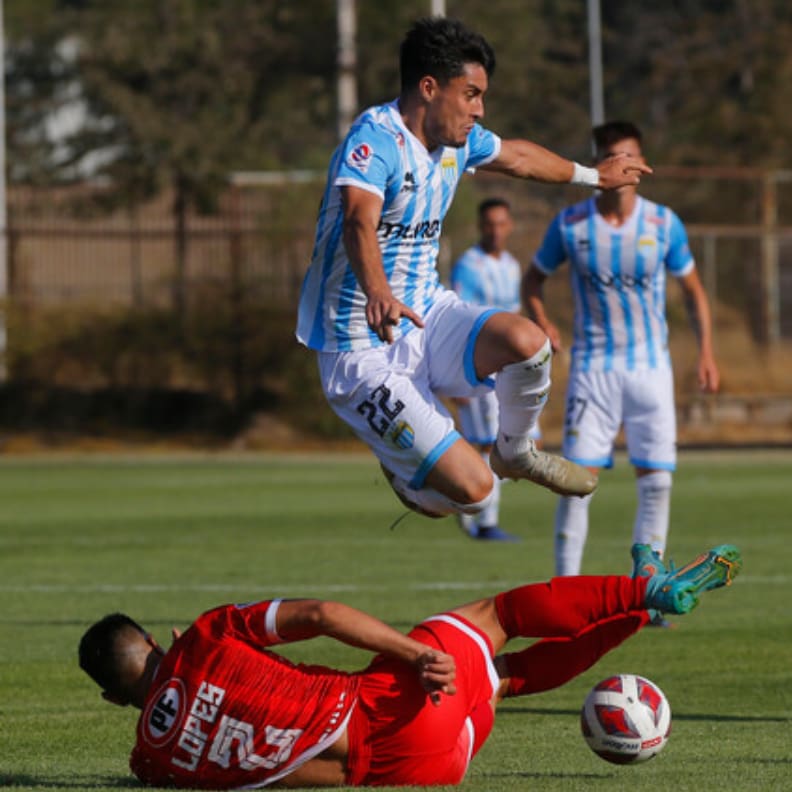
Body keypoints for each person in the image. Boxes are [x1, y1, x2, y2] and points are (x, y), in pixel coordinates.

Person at [295, 18, 651, 522]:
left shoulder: (458, 144)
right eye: (471, 94)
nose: (479, 109)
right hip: (358, 349)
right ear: (429, 87)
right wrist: (376, 289)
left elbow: (521, 158)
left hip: (426, 314)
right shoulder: (375, 140)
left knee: (529, 345)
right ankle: (405, 473)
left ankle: (515, 451)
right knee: (475, 495)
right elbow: (358, 220)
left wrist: (595, 177)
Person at [78, 543, 742, 788]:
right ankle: (641, 598)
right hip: (387, 707)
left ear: (114, 702)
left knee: (504, 678)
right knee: (496, 618)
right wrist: (413, 652)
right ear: (158, 645)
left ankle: (636, 614)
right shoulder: (205, 638)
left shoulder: (149, 764)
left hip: (421, 771)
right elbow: (322, 615)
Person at [523, 121, 719, 580]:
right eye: (614, 156)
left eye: (631, 156)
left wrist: (707, 351)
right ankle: (564, 592)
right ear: (600, 162)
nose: (624, 166)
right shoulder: (571, 225)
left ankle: (646, 592)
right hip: (594, 370)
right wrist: (543, 320)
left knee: (657, 483)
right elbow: (533, 280)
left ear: (643, 162)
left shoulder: (663, 223)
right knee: (576, 485)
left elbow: (693, 291)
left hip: (651, 370)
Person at [447, 198, 527, 541]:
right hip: (476, 367)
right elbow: (455, 318)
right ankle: (480, 519)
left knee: (502, 445)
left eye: (501, 224)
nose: (496, 231)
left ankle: (469, 510)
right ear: (481, 227)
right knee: (487, 446)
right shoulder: (469, 266)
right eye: (489, 224)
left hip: (506, 369)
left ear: (509, 226)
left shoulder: (511, 265)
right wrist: (455, 381)